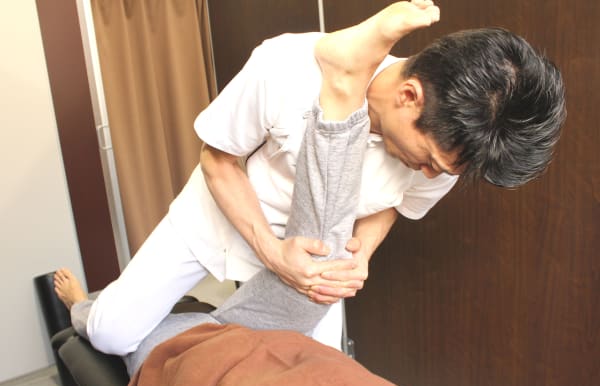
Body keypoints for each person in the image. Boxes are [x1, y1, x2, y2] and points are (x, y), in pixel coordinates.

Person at [56, 0, 566, 358]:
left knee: (307, 367)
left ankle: (208, 324)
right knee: (110, 335)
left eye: (443, 170)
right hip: (222, 216)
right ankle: (86, 304)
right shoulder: (285, 66)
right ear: (409, 97)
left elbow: (396, 204)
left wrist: (362, 253)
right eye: (428, 160)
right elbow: (218, 161)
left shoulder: (452, 153)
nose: (432, 175)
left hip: (316, 251)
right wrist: (272, 252)